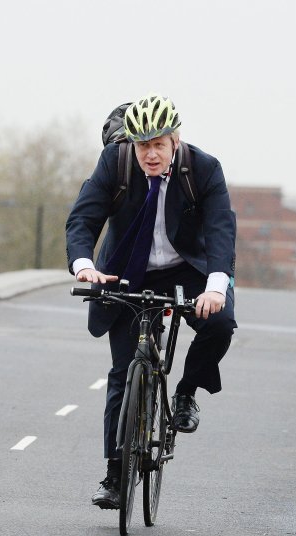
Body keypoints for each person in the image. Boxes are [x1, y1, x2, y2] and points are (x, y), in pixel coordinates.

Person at [65, 93, 237, 510]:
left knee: (220, 324)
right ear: (132, 143)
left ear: (175, 140)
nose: (151, 154)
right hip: (124, 268)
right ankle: (114, 474)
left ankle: (184, 392)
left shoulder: (204, 169)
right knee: (123, 373)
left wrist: (215, 286)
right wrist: (85, 265)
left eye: (159, 144)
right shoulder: (116, 163)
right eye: (143, 145)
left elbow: (220, 230)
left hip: (185, 267)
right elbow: (83, 218)